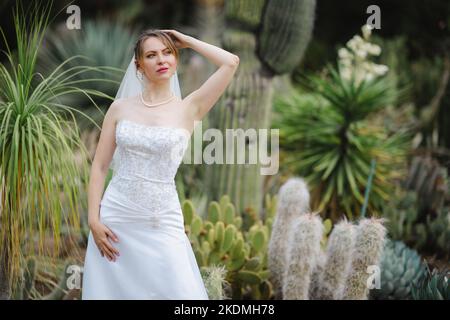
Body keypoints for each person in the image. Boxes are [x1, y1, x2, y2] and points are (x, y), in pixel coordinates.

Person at [81, 29, 239, 299]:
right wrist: (93, 219)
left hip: (162, 218)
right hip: (117, 216)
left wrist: (186, 40)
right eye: (151, 55)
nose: (161, 60)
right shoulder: (120, 108)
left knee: (178, 290)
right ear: (139, 65)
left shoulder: (190, 108)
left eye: (167, 53)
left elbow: (231, 62)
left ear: (176, 59)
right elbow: (99, 166)